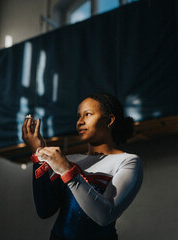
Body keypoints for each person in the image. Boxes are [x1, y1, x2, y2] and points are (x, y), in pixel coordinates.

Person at [22, 92, 143, 240]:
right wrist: (37, 155)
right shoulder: (69, 160)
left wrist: (67, 171)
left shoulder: (127, 161)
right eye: (79, 116)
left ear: (109, 120)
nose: (80, 121)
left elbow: (104, 216)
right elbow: (45, 210)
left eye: (88, 114)